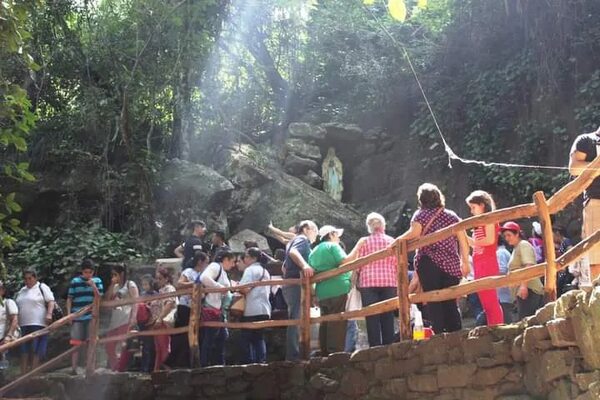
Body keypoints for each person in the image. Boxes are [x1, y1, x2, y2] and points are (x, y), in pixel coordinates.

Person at [397, 183, 470, 334]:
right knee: (450, 299)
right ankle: (456, 333)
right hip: (451, 265)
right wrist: (465, 262)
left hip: (429, 263)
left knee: (433, 299)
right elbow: (463, 241)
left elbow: (414, 233)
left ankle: (439, 334)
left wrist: (396, 241)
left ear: (421, 199)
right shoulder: (452, 216)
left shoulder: (421, 215)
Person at [308, 225, 360, 355]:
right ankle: (335, 353)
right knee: (337, 321)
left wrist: (313, 294)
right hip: (338, 287)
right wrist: (358, 246)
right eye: (336, 235)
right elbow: (345, 261)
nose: (338, 238)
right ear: (331, 235)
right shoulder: (333, 246)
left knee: (325, 321)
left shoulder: (313, 251)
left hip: (322, 291)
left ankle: (324, 351)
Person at [465, 191, 504, 325]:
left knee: (491, 300)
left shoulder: (489, 219)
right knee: (485, 302)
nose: (471, 211)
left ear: (482, 205)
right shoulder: (479, 223)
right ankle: (492, 326)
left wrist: (469, 240)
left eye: (473, 207)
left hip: (487, 262)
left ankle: (497, 325)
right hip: (479, 263)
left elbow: (489, 240)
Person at [281, 220, 318, 361]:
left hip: (290, 283)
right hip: (296, 284)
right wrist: (305, 266)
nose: (316, 235)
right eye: (315, 230)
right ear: (307, 228)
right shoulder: (302, 239)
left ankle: (295, 353)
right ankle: (294, 355)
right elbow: (293, 253)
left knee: (295, 317)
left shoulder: (293, 240)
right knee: (296, 317)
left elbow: (284, 266)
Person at [569, 128, 600, 281]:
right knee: (595, 260)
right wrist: (597, 166)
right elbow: (574, 167)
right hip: (596, 203)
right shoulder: (586, 140)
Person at [170, 251, 209, 368]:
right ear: (200, 262)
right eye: (206, 262)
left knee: (193, 335)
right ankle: (175, 362)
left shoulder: (203, 275)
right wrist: (195, 283)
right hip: (185, 307)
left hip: (195, 308)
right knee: (181, 335)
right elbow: (180, 283)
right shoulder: (189, 272)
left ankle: (187, 361)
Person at [66, 259, 103, 375]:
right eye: (86, 272)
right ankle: (74, 367)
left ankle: (90, 367)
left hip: (91, 317)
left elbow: (99, 297)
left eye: (90, 272)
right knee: (75, 343)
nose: (88, 275)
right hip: (77, 316)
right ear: (82, 271)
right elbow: (70, 298)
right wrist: (69, 315)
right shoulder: (75, 281)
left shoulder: (97, 281)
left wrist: (93, 286)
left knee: (91, 342)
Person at [501, 222, 545, 320]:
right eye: (505, 236)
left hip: (529, 289)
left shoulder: (523, 245)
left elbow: (529, 265)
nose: (507, 238)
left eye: (509, 235)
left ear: (517, 234)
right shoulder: (516, 248)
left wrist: (523, 286)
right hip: (523, 290)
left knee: (527, 321)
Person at [199, 250, 236, 367]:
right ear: (225, 259)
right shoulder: (215, 266)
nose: (233, 264)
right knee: (210, 337)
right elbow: (204, 278)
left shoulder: (223, 272)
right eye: (232, 261)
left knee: (221, 337)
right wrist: (220, 288)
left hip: (219, 309)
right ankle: (205, 365)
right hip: (211, 307)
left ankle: (218, 364)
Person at [15, 269, 55, 374]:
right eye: (25, 279)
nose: (27, 281)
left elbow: (51, 301)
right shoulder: (22, 290)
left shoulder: (42, 287)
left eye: (30, 278)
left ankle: (34, 371)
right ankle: (23, 372)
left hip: (39, 322)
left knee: (37, 346)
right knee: (24, 347)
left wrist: (49, 314)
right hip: (23, 323)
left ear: (35, 278)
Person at [237, 247, 271, 364]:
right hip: (265, 309)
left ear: (253, 258)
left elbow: (244, 288)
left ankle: (249, 363)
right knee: (259, 338)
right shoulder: (265, 271)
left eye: (246, 256)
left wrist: (236, 288)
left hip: (252, 309)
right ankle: (261, 361)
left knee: (246, 338)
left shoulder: (250, 270)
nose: (244, 258)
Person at [104, 264, 139, 372]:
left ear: (122, 274)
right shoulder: (115, 287)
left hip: (126, 318)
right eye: (112, 275)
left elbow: (136, 301)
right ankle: (115, 366)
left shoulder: (130, 284)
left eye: (115, 274)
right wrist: (111, 284)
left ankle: (121, 368)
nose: (114, 277)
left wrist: (134, 317)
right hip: (115, 320)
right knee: (109, 345)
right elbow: (107, 298)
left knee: (124, 345)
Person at [152, 268, 177, 371]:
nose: (158, 280)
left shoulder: (169, 289)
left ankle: (167, 372)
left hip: (162, 322)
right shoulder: (161, 290)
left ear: (166, 278)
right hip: (157, 323)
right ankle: (158, 372)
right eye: (157, 278)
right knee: (158, 349)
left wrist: (160, 318)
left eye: (160, 278)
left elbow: (169, 304)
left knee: (164, 347)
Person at [138, 274, 157, 373]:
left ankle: (149, 367)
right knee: (145, 345)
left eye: (146, 284)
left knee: (150, 346)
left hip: (151, 322)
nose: (144, 286)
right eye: (143, 284)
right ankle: (144, 368)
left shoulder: (155, 294)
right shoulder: (142, 294)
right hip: (142, 322)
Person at [0, 281, 19, 370]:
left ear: (3, 290)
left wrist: (9, 335)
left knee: (4, 365)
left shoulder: (8, 303)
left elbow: (14, 319)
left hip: (4, 338)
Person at [496, 236, 514, 324]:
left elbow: (501, 270)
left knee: (506, 319)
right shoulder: (503, 252)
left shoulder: (500, 253)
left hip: (502, 293)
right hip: (504, 293)